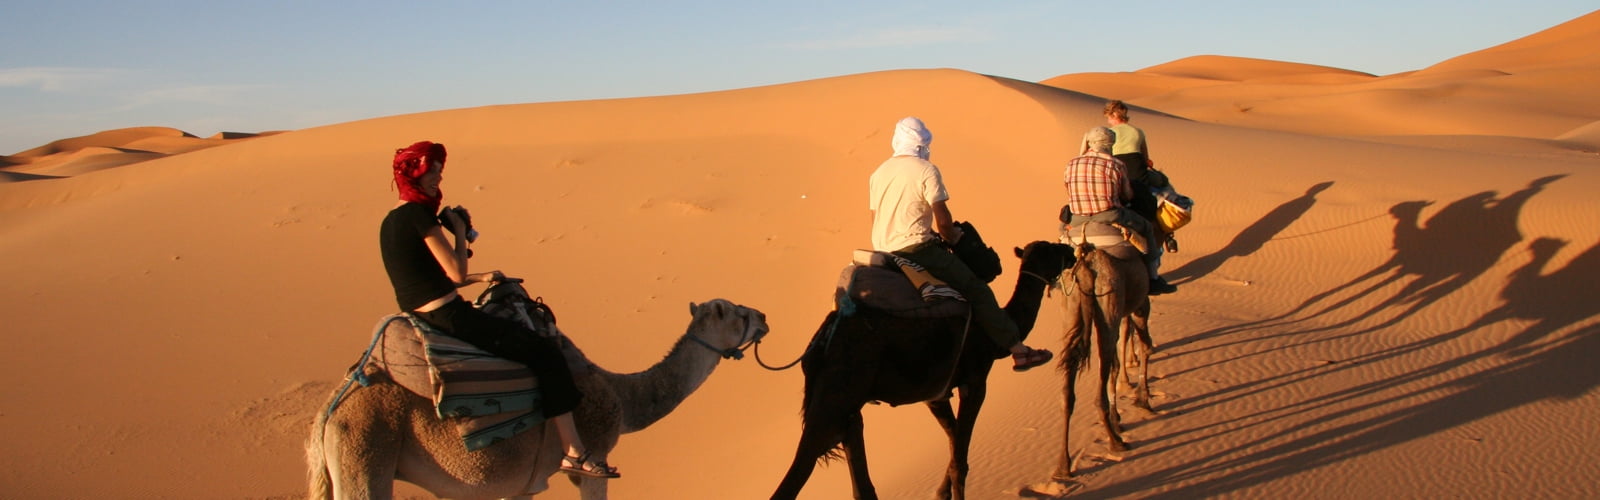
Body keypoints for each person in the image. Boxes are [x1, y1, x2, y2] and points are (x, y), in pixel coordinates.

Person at [379, 141, 619, 478]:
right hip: (450, 317)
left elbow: (425, 279)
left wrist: (482, 277)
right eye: (431, 173)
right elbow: (454, 273)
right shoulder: (419, 216)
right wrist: (460, 232)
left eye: (439, 173)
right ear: (415, 173)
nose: (437, 179)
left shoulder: (391, 220)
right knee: (545, 352)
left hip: (422, 313)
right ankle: (574, 452)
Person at [868, 117, 1054, 372]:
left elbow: (875, 217)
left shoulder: (878, 173)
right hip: (917, 250)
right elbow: (944, 221)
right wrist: (952, 237)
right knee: (976, 289)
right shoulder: (925, 170)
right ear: (923, 143)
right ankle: (1019, 351)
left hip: (883, 250)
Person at [1062, 126, 1173, 294]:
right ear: (1110, 144)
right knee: (1147, 228)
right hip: (1110, 215)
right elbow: (1127, 194)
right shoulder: (1116, 164)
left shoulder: (1072, 163)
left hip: (1079, 218)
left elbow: (1068, 188)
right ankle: (1153, 278)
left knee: (1062, 231)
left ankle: (1058, 276)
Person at [1104, 100, 1177, 294]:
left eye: (1108, 117)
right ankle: (1169, 233)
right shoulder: (1138, 132)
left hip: (1118, 178)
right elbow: (1146, 160)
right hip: (1139, 178)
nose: (1108, 121)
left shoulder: (1107, 134)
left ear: (1112, 116)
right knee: (1166, 186)